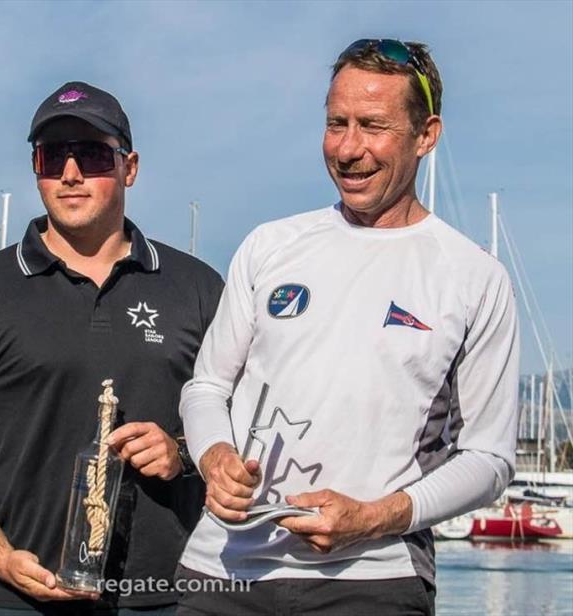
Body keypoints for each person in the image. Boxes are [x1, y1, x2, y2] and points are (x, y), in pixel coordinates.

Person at [176, 39, 519, 616]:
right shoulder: (270, 245)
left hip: (375, 579)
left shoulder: (473, 277)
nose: (349, 148)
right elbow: (206, 386)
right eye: (337, 123)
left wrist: (373, 518)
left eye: (373, 126)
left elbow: (489, 459)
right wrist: (213, 455)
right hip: (222, 571)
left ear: (426, 135)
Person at [0, 81, 223, 615]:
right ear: (37, 168)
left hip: (170, 597)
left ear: (130, 167)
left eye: (93, 155)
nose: (70, 174)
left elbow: (244, 425)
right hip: (22, 598)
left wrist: (182, 453)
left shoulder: (196, 288)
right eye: (53, 157)